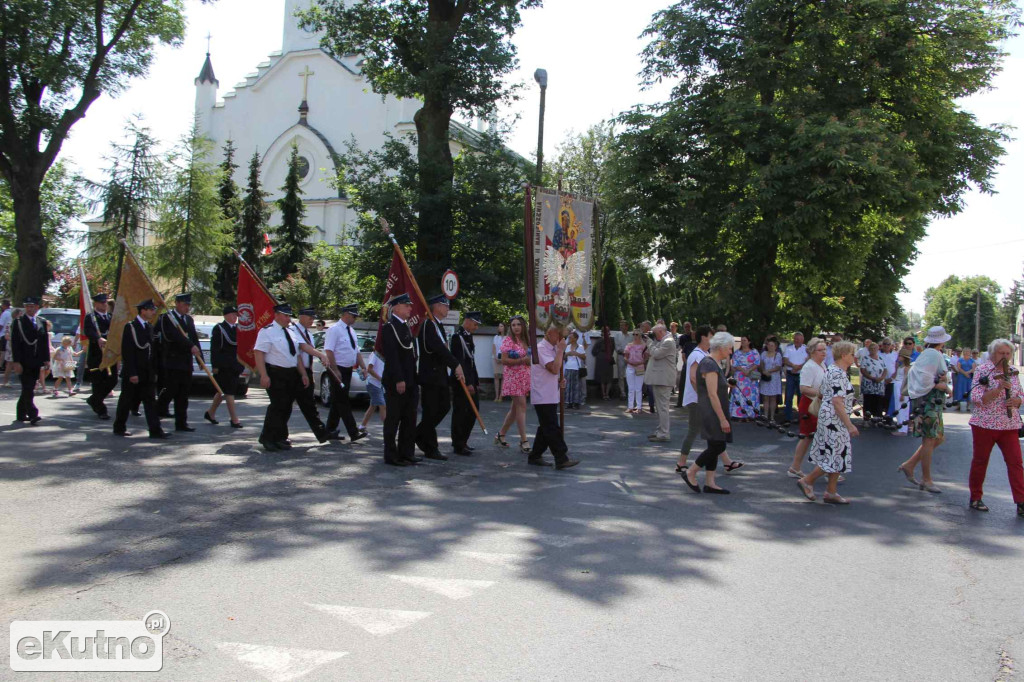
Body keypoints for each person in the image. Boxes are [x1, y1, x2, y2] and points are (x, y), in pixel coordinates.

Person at [253, 304, 329, 452]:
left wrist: (303, 374)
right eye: (285, 315)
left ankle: (280, 437)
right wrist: (264, 375)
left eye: (289, 316)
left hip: (291, 373)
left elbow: (297, 354)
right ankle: (267, 438)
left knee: (286, 407)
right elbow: (259, 353)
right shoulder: (267, 331)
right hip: (275, 373)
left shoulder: (291, 332)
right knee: (277, 406)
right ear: (276, 315)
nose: (289, 319)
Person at [796, 341, 859, 504]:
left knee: (837, 453)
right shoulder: (837, 373)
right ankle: (808, 481)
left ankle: (831, 492)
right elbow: (837, 402)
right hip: (834, 419)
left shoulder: (831, 369)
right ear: (844, 355)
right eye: (852, 354)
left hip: (829, 417)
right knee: (835, 454)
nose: (854, 357)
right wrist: (850, 425)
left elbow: (823, 393)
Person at [966, 339, 1024, 515]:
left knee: (1015, 462)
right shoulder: (983, 371)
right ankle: (975, 497)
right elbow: (977, 398)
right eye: (1001, 353)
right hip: (985, 424)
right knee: (980, 461)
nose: (1005, 357)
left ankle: (1021, 501)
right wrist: (998, 389)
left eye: (1008, 354)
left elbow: (1020, 393)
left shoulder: (1013, 371)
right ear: (992, 354)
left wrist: (1017, 401)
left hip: (1009, 425)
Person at [898, 326, 953, 493]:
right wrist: (941, 385)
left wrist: (942, 381)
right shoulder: (933, 354)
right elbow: (925, 378)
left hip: (930, 401)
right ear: (941, 341)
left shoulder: (929, 354)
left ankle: (910, 464)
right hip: (929, 401)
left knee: (938, 437)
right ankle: (926, 479)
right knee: (930, 439)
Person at [682, 331, 736, 494]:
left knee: (715, 444)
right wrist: (722, 419)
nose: (731, 352)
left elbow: (714, 389)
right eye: (730, 348)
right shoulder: (709, 364)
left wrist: (727, 385)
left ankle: (710, 482)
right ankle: (691, 472)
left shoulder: (713, 363)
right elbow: (711, 394)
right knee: (718, 445)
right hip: (711, 412)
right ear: (722, 347)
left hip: (712, 410)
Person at [415, 294, 465, 461]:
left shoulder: (438, 325)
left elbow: (444, 349)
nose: (447, 308)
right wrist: (456, 364)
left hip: (440, 375)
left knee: (443, 407)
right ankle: (430, 447)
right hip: (431, 375)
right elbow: (438, 348)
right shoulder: (428, 325)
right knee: (431, 411)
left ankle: (418, 434)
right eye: (445, 305)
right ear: (435, 306)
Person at [112, 299, 169, 439]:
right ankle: (119, 427)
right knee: (126, 400)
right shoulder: (130, 327)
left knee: (150, 401)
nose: (153, 312)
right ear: (143, 310)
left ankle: (155, 430)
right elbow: (128, 352)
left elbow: (152, 352)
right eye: (151, 309)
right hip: (134, 371)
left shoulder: (149, 327)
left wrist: (154, 371)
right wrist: (132, 372)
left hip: (147, 372)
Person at [528, 325, 580, 469]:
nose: (561, 338)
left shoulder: (551, 348)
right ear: (550, 333)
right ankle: (561, 457)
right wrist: (561, 350)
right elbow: (554, 368)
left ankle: (535, 455)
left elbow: (553, 371)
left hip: (549, 393)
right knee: (551, 427)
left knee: (546, 427)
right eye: (560, 334)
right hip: (542, 394)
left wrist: (559, 380)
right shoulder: (541, 348)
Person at [379, 294, 421, 466]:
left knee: (409, 419)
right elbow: (392, 356)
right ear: (395, 307)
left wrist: (412, 379)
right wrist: (399, 379)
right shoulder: (390, 328)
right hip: (397, 381)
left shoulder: (405, 327)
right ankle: (391, 455)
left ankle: (407, 452)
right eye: (406, 306)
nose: (410, 308)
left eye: (410, 306)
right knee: (393, 419)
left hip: (410, 380)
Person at [156, 293, 202, 432]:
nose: (187, 307)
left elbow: (194, 338)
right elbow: (173, 336)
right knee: (171, 390)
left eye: (188, 305)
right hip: (172, 360)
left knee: (183, 394)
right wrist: (190, 346)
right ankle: (158, 409)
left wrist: (200, 358)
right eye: (184, 304)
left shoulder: (188, 320)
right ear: (177, 303)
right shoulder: (167, 318)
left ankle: (181, 423)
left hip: (185, 362)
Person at [324, 304, 369, 444]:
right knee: (343, 401)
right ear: (346, 314)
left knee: (338, 401)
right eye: (353, 316)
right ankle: (353, 432)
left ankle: (329, 430)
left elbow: (356, 352)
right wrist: (335, 369)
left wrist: (363, 367)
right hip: (337, 369)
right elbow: (329, 351)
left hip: (348, 369)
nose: (355, 318)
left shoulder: (351, 331)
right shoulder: (334, 330)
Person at [292, 307, 337, 442]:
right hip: (295, 371)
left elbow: (308, 352)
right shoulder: (294, 330)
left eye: (313, 318)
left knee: (309, 404)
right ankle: (276, 435)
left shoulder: (308, 333)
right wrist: (321, 355)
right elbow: (303, 347)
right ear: (301, 316)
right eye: (309, 318)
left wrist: (310, 371)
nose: (312, 321)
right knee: (285, 405)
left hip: (305, 370)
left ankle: (321, 433)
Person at [786, 337, 827, 478]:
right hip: (809, 405)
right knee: (808, 437)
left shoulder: (821, 365)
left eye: (825, 349)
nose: (824, 352)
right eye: (820, 350)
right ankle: (797, 468)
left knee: (815, 437)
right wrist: (823, 393)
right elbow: (803, 388)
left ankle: (796, 467)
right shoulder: (809, 366)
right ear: (812, 352)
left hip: (819, 404)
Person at [10, 296, 49, 425]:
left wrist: (46, 360)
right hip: (23, 360)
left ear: (37, 307)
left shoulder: (41, 321)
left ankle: (21, 414)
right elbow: (15, 343)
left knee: (29, 388)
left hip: (36, 361)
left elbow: (44, 343)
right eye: (27, 306)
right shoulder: (19, 322)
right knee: (28, 388)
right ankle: (33, 414)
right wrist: (16, 362)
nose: (29, 309)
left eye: (32, 306)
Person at [205, 305, 244, 428]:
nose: (235, 317)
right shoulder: (219, 328)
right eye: (233, 315)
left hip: (235, 365)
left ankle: (210, 413)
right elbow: (215, 348)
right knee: (229, 392)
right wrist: (215, 365)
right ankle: (234, 419)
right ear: (226, 315)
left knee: (222, 391)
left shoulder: (237, 329)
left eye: (236, 315)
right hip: (224, 365)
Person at [496, 315, 532, 452]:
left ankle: (501, 434)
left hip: (524, 377)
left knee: (515, 410)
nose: (516, 327)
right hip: (513, 378)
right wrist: (521, 361)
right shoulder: (508, 340)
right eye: (513, 325)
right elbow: (504, 360)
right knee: (522, 407)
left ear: (523, 326)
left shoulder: (525, 340)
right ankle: (524, 440)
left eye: (518, 324)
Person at [450, 311, 482, 455]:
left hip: (470, 381)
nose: (476, 327)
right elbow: (460, 362)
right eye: (475, 324)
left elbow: (471, 362)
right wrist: (468, 382)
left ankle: (464, 440)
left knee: (473, 412)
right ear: (468, 321)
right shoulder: (458, 337)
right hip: (461, 382)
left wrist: (475, 381)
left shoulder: (468, 336)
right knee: (460, 413)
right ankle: (458, 443)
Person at [83, 293, 117, 419]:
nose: (104, 305)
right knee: (98, 382)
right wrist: (98, 338)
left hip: (109, 355)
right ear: (96, 304)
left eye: (105, 302)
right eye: (102, 303)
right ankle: (101, 410)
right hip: (96, 355)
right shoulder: (91, 317)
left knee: (112, 380)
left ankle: (94, 400)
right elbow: (89, 331)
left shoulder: (110, 317)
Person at [643, 324, 677, 442]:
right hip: (660, 379)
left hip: (664, 380)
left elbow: (656, 354)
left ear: (661, 331)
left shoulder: (668, 342)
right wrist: (651, 341)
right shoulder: (662, 340)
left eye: (655, 333)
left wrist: (649, 342)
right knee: (660, 407)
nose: (654, 336)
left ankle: (664, 433)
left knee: (662, 407)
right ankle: (660, 430)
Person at [729, 336, 761, 420]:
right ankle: (738, 414)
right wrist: (743, 370)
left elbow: (757, 362)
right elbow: (735, 363)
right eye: (741, 340)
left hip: (750, 378)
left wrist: (749, 370)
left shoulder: (754, 352)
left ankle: (751, 414)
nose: (742, 342)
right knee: (739, 394)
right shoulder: (737, 352)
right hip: (740, 377)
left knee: (750, 395)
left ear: (749, 342)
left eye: (744, 340)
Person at [782, 332, 807, 423]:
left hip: (801, 375)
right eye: (795, 339)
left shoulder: (806, 349)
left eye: (799, 339)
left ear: (802, 340)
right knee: (789, 396)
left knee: (801, 396)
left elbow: (807, 361)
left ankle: (801, 418)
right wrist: (793, 366)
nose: (797, 341)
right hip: (791, 374)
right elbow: (785, 360)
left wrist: (798, 367)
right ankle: (787, 418)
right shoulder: (789, 348)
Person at [859, 342, 888, 422]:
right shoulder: (865, 358)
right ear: (868, 350)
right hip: (869, 384)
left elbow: (885, 369)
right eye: (871, 349)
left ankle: (877, 419)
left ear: (878, 349)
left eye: (875, 348)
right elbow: (863, 370)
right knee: (868, 401)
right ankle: (867, 419)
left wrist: (882, 377)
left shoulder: (881, 358)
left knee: (878, 401)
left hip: (879, 385)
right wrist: (871, 378)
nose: (873, 350)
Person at [360, 349, 386, 433]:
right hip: (373, 384)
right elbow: (369, 369)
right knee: (382, 405)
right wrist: (381, 379)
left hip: (377, 385)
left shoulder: (384, 355)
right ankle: (387, 429)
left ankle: (362, 426)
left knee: (373, 406)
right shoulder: (375, 354)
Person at [759, 336, 783, 423]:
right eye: (769, 345)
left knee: (773, 398)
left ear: (775, 346)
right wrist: (763, 371)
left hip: (774, 378)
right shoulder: (763, 354)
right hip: (765, 377)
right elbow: (761, 363)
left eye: (772, 345)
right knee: (765, 397)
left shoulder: (778, 355)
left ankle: (772, 417)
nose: (770, 347)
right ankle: (765, 415)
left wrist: (768, 371)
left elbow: (778, 366)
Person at [623, 330, 647, 414]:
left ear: (640, 335)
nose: (635, 336)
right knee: (630, 388)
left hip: (640, 367)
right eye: (633, 334)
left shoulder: (644, 346)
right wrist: (630, 362)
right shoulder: (629, 345)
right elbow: (625, 357)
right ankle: (630, 407)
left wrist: (640, 362)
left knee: (638, 388)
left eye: (637, 334)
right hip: (630, 367)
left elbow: (646, 357)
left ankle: (639, 407)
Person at [675, 321, 698, 406]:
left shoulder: (699, 345)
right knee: (682, 383)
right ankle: (680, 402)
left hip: (696, 366)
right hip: (687, 365)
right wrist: (686, 364)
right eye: (686, 327)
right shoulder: (685, 341)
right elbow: (683, 354)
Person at [590, 326, 616, 400]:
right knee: (602, 378)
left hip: (609, 359)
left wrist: (609, 355)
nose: (606, 333)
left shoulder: (612, 340)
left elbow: (613, 349)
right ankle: (603, 394)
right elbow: (594, 351)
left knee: (609, 377)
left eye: (607, 332)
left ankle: (607, 394)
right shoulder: (599, 341)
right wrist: (600, 354)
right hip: (601, 360)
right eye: (604, 332)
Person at [563, 330, 585, 409]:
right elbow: (564, 358)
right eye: (569, 337)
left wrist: (577, 354)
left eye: (571, 337)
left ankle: (576, 403)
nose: (569, 338)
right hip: (568, 367)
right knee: (568, 386)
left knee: (576, 386)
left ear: (575, 338)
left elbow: (584, 357)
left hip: (576, 368)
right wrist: (567, 354)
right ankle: (569, 402)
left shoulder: (580, 347)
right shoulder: (567, 347)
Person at [879, 338, 898, 420]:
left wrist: (892, 378)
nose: (886, 345)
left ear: (891, 346)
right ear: (882, 345)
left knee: (889, 399)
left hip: (891, 380)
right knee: (879, 399)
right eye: (885, 344)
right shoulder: (878, 354)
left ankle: (888, 417)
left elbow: (898, 368)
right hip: (879, 380)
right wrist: (881, 379)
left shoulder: (895, 355)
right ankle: (878, 417)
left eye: (888, 344)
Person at [2, 308, 22, 388]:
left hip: (18, 346)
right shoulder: (10, 323)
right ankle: (5, 381)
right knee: (9, 364)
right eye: (20, 314)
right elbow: (7, 336)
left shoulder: (20, 323)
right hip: (11, 346)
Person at [615, 319, 630, 400]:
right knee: (620, 375)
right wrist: (624, 352)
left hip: (630, 357)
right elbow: (617, 347)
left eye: (622, 325)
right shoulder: (617, 335)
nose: (621, 327)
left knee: (630, 374)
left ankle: (630, 390)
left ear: (627, 326)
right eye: (620, 325)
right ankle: (622, 392)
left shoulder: (631, 336)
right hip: (621, 356)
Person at [491, 322, 506, 401]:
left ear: (504, 327)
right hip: (496, 358)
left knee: (503, 377)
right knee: (496, 376)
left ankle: (501, 396)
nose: (500, 328)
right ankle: (496, 396)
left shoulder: (507, 338)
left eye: (501, 326)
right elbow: (493, 348)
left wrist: (503, 358)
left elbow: (508, 349)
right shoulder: (496, 337)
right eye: (499, 326)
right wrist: (496, 358)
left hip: (504, 358)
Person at [0, 298, 10, 373]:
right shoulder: (10, 313)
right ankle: (5, 365)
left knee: (2, 351)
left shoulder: (4, 314)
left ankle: (1, 365)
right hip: (8, 334)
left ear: (4, 305)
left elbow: (1, 325)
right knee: (6, 351)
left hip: (3, 334)